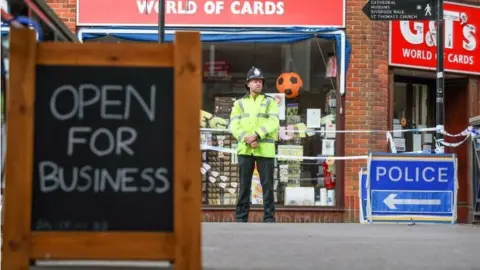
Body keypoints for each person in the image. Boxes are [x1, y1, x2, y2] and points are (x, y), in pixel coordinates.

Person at [229, 66, 280, 223]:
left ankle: (269, 218)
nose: (258, 83)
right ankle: (241, 217)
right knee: (244, 186)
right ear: (248, 84)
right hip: (245, 150)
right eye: (255, 81)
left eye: (260, 81)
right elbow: (233, 125)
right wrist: (246, 138)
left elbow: (274, 122)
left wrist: (256, 135)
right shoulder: (239, 103)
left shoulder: (270, 102)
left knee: (267, 186)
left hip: (265, 150)